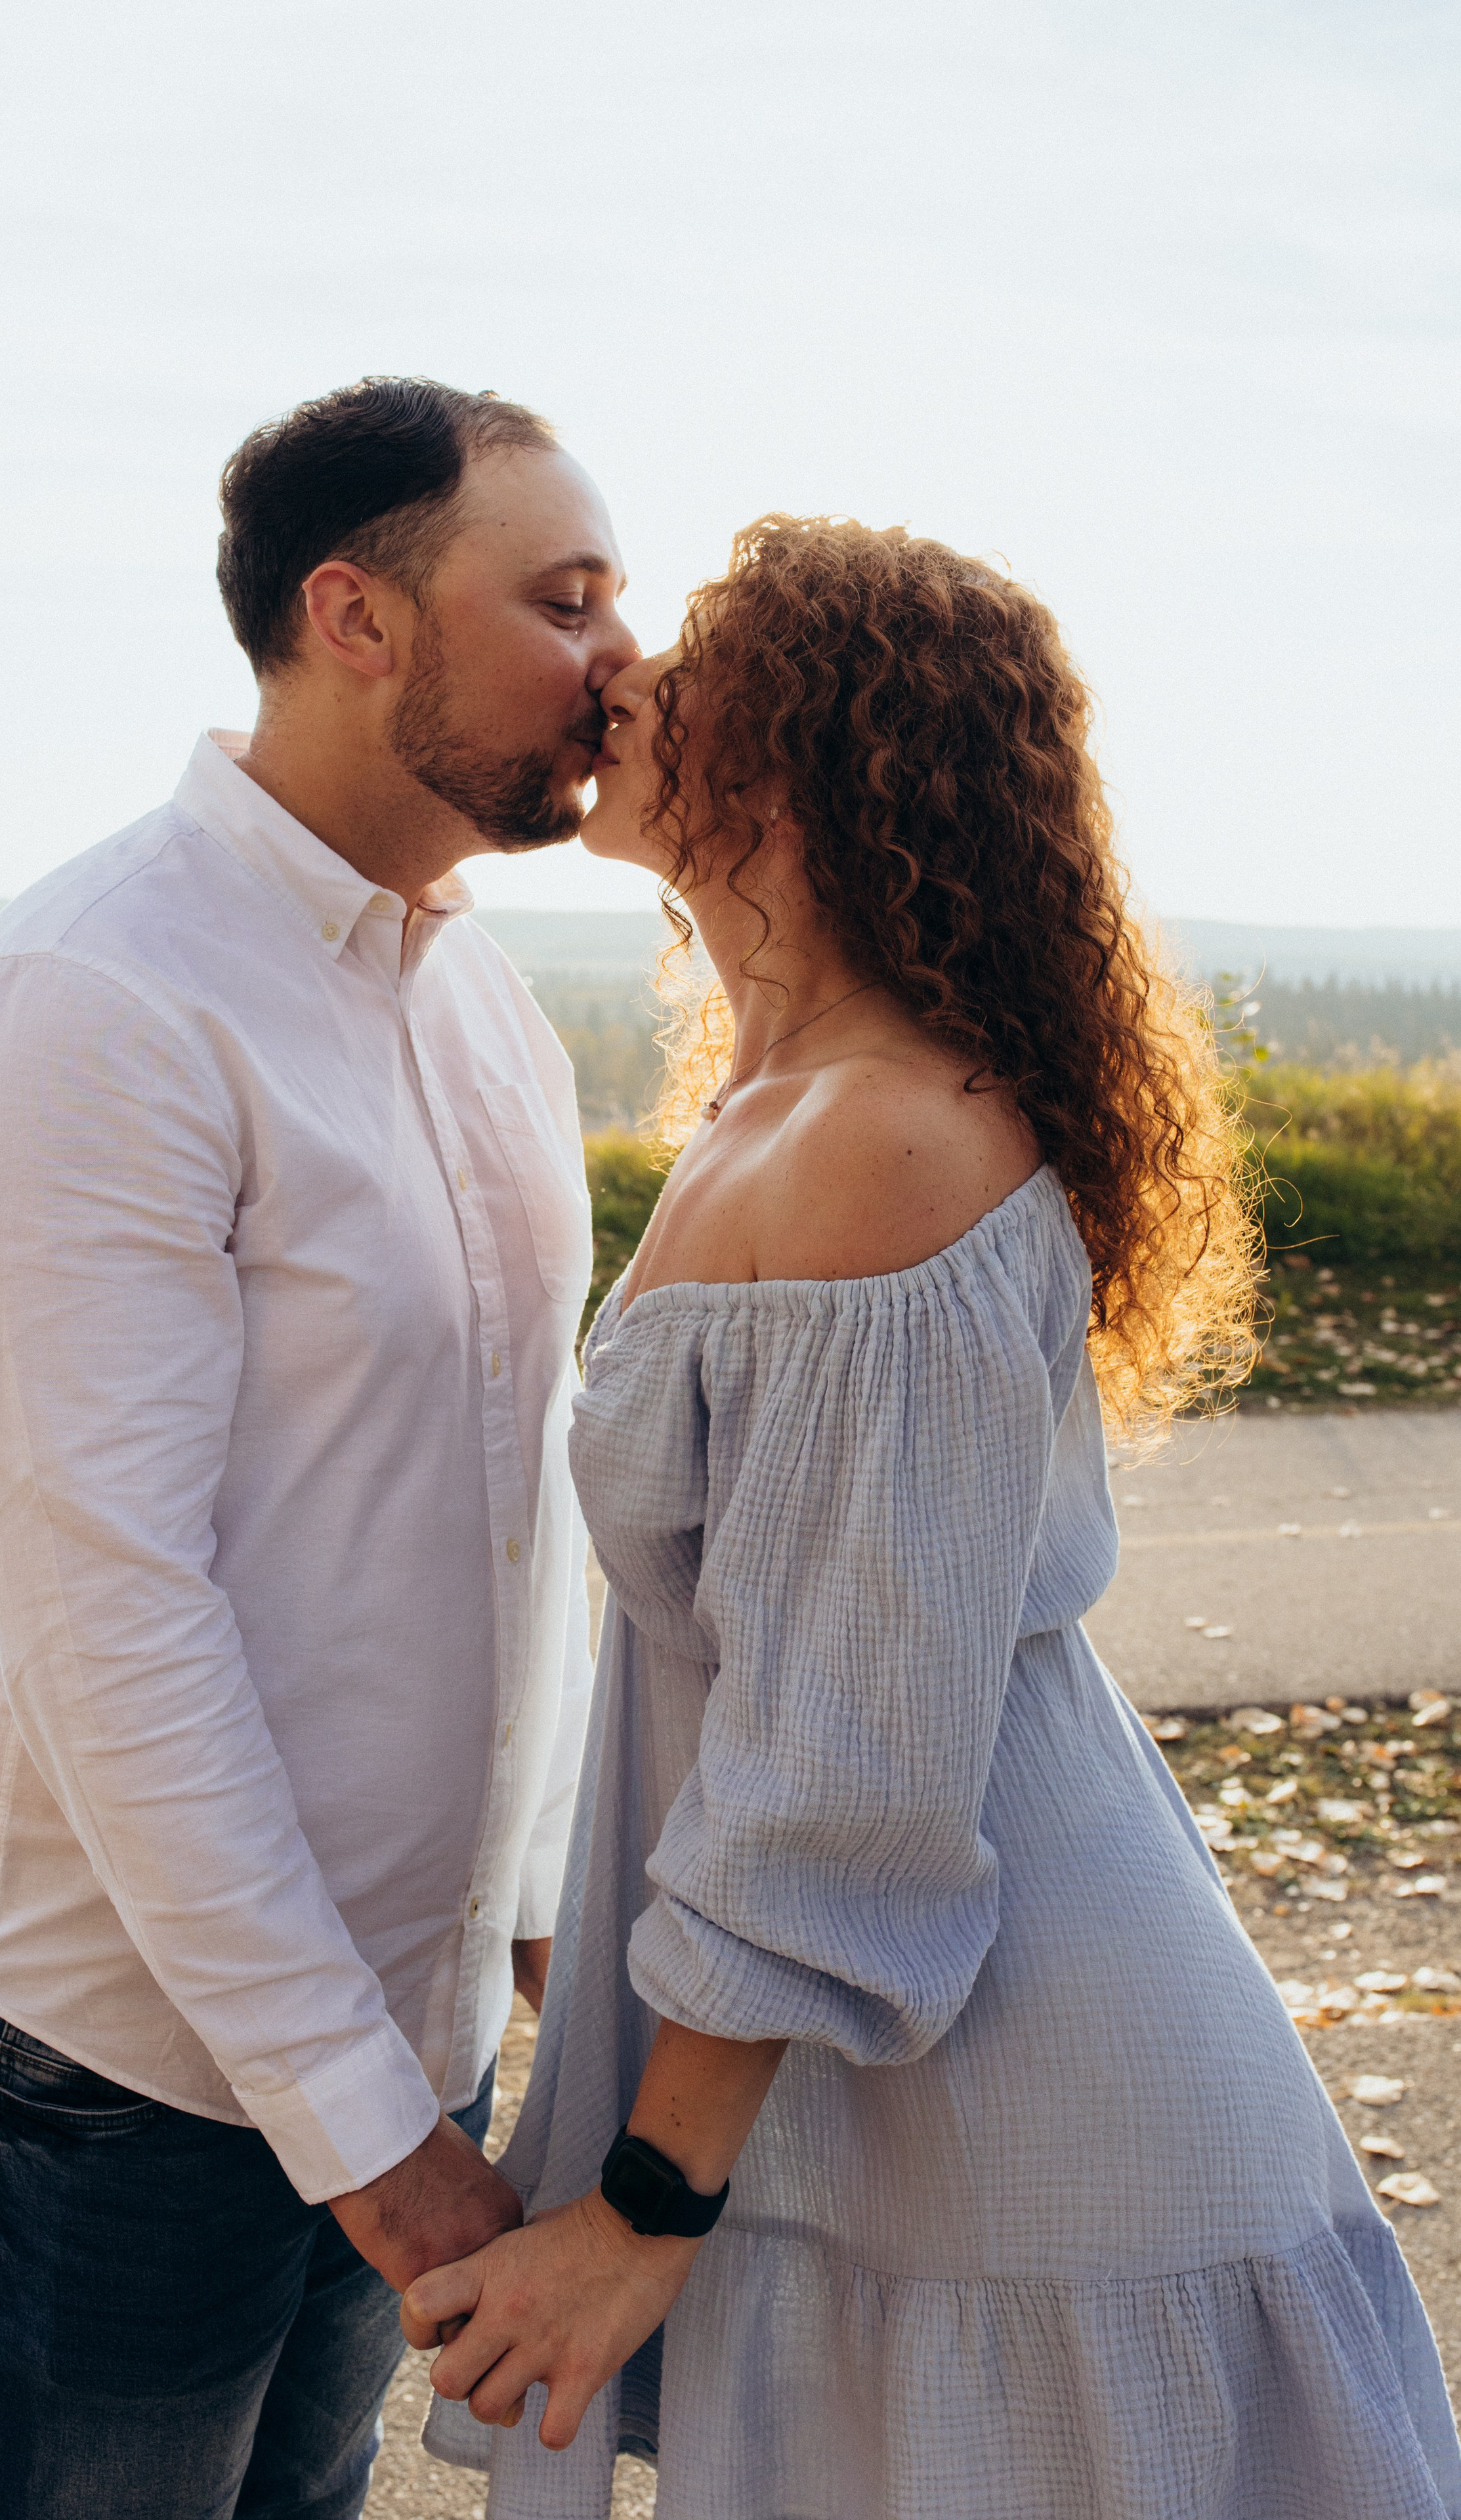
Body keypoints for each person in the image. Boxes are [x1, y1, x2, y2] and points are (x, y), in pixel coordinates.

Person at [412, 516, 1461, 2518]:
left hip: (1006, 2075)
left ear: (809, 752)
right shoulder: (783, 1106)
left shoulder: (884, 1139)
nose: (623, 677)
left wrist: (641, 2208)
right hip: (860, 2064)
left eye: (689, 659)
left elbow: (843, 1763)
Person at [0, 376, 640, 2520]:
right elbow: (114, 1613)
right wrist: (360, 2130)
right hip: (123, 2065)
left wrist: (540, 1932)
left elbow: (515, 1505)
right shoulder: (94, 1001)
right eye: (564, 602)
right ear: (357, 618)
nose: (622, 665)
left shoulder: (478, 1001)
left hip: (413, 2023)